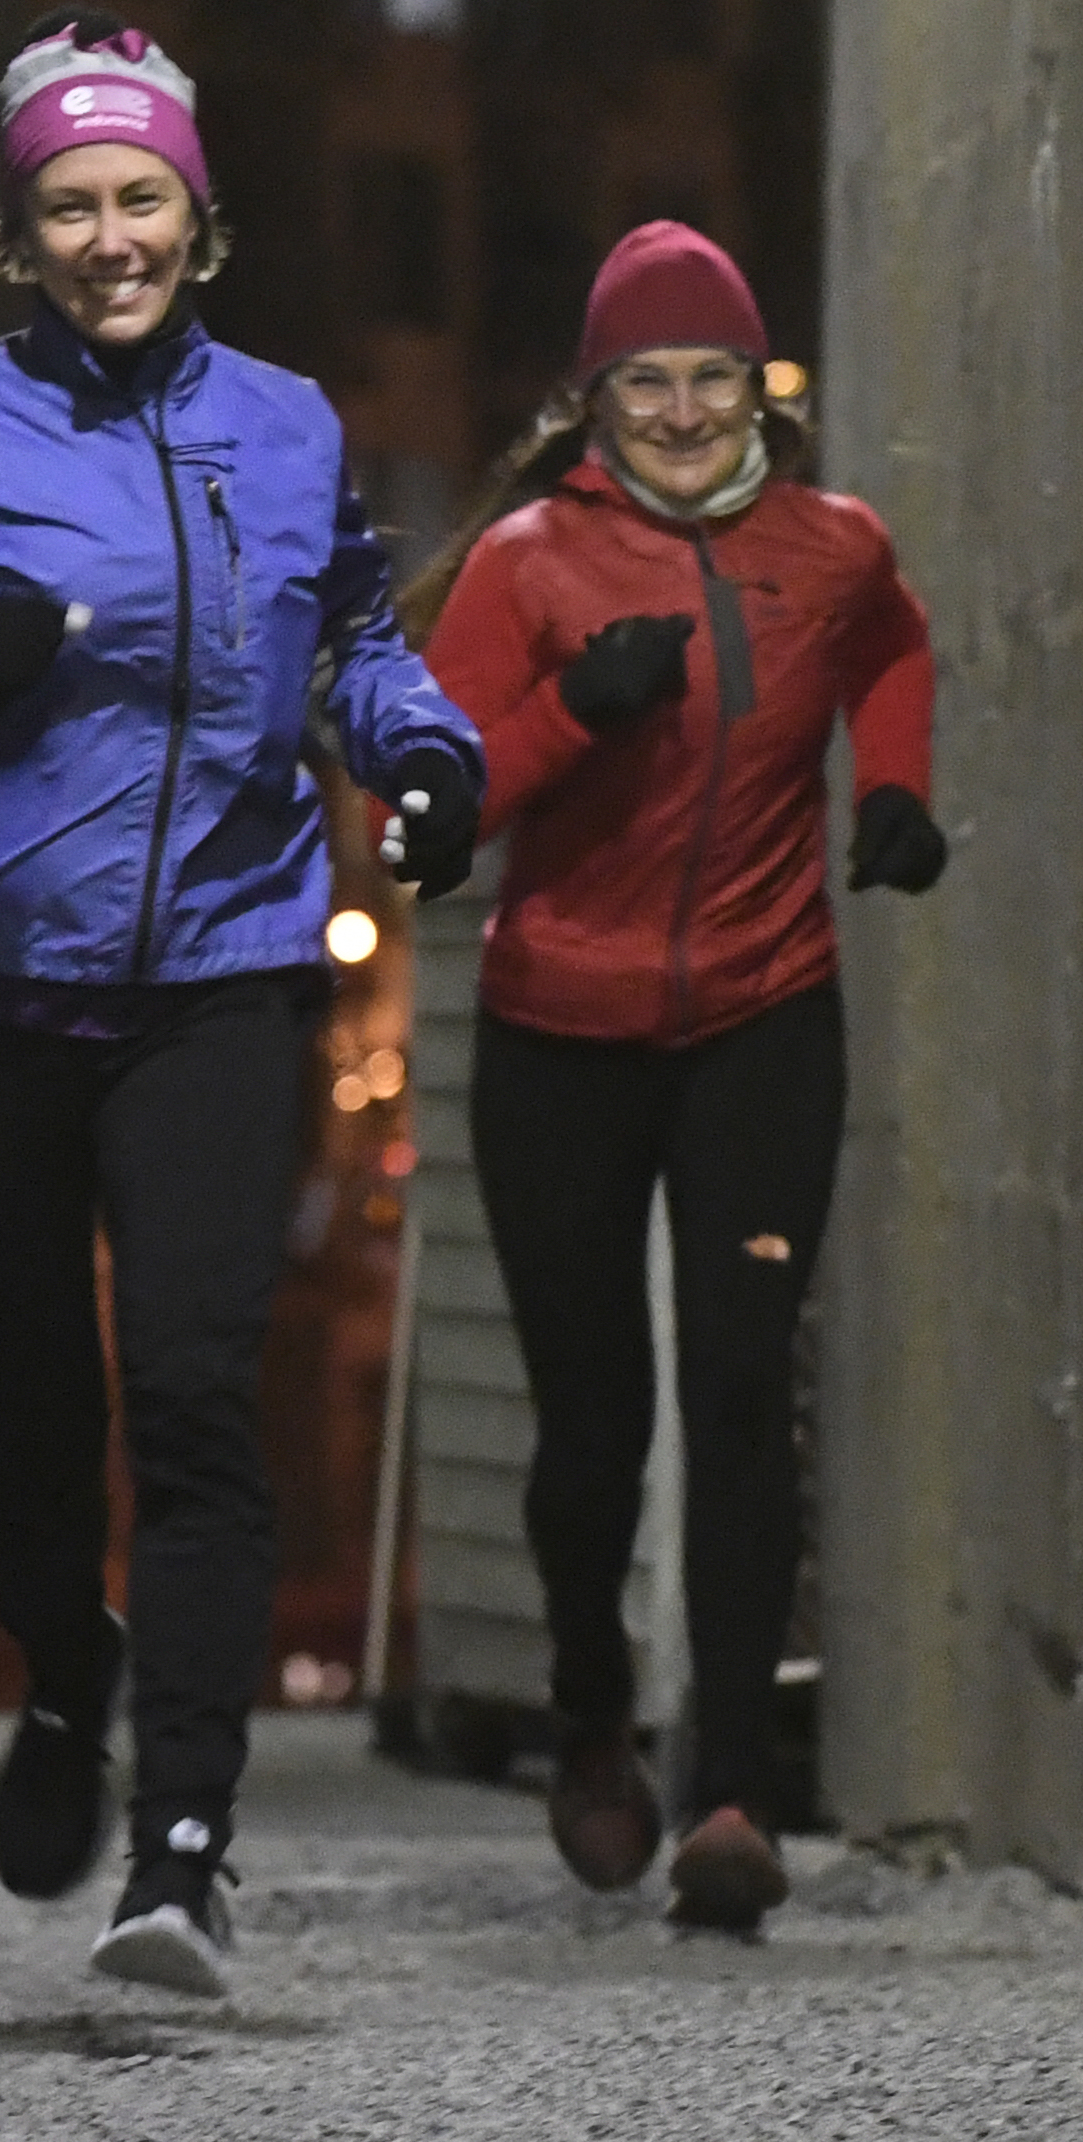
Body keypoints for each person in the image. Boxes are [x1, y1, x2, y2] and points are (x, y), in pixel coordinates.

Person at [0, 11, 482, 1999]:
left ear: (196, 213)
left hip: (220, 975)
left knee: (198, 1390)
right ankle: (67, 1669)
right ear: (22, 234)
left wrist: (423, 751)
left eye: (141, 195)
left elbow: (350, 641)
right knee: (34, 1423)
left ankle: (184, 1857)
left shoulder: (289, 428)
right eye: (69, 205)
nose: (110, 237)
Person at [404, 220, 944, 1933]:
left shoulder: (832, 546)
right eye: (650, 382)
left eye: (719, 377)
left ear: (760, 390)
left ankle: (731, 1792)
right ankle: (590, 1715)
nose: (690, 412)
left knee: (740, 1387)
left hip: (764, 1017)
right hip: (561, 1035)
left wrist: (893, 787)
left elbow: (895, 646)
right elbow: (423, 815)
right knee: (594, 1425)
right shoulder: (526, 566)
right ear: (596, 399)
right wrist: (576, 709)